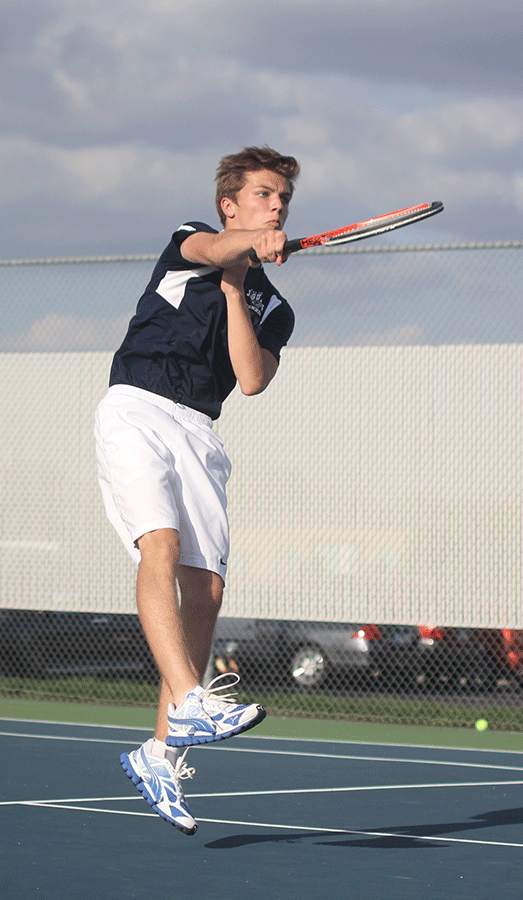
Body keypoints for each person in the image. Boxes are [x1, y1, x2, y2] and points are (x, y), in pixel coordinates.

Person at [94, 146, 300, 835]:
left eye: (283, 201)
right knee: (161, 542)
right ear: (230, 203)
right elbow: (216, 248)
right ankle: (188, 695)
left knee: (205, 589)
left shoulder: (275, 307)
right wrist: (237, 253)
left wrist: (242, 286)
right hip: (138, 407)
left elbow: (250, 378)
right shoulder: (188, 241)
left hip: (200, 432)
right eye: (266, 196)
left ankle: (160, 754)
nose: (277, 207)